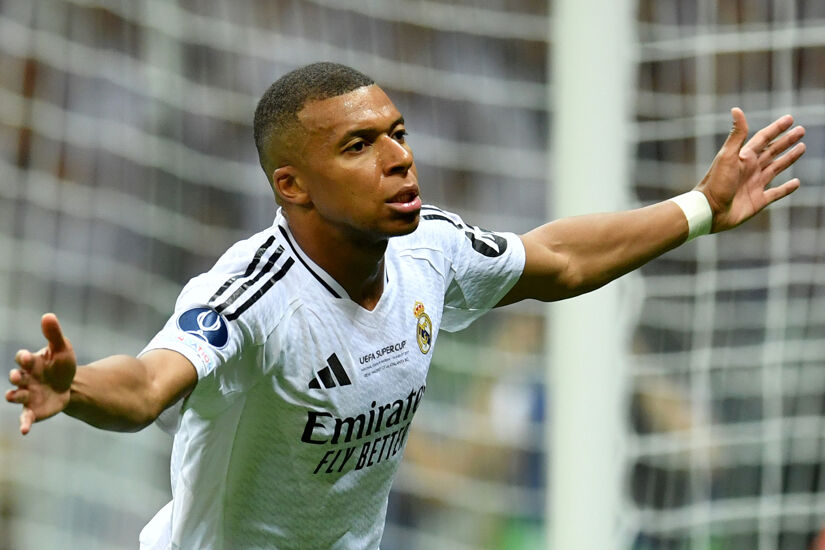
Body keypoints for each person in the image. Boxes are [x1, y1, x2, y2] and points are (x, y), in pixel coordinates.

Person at [4, 62, 806, 549]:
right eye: (359, 146)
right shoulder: (248, 294)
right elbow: (147, 385)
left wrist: (698, 207)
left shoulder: (430, 248)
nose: (398, 158)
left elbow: (556, 258)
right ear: (292, 185)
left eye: (397, 132)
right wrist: (73, 391)